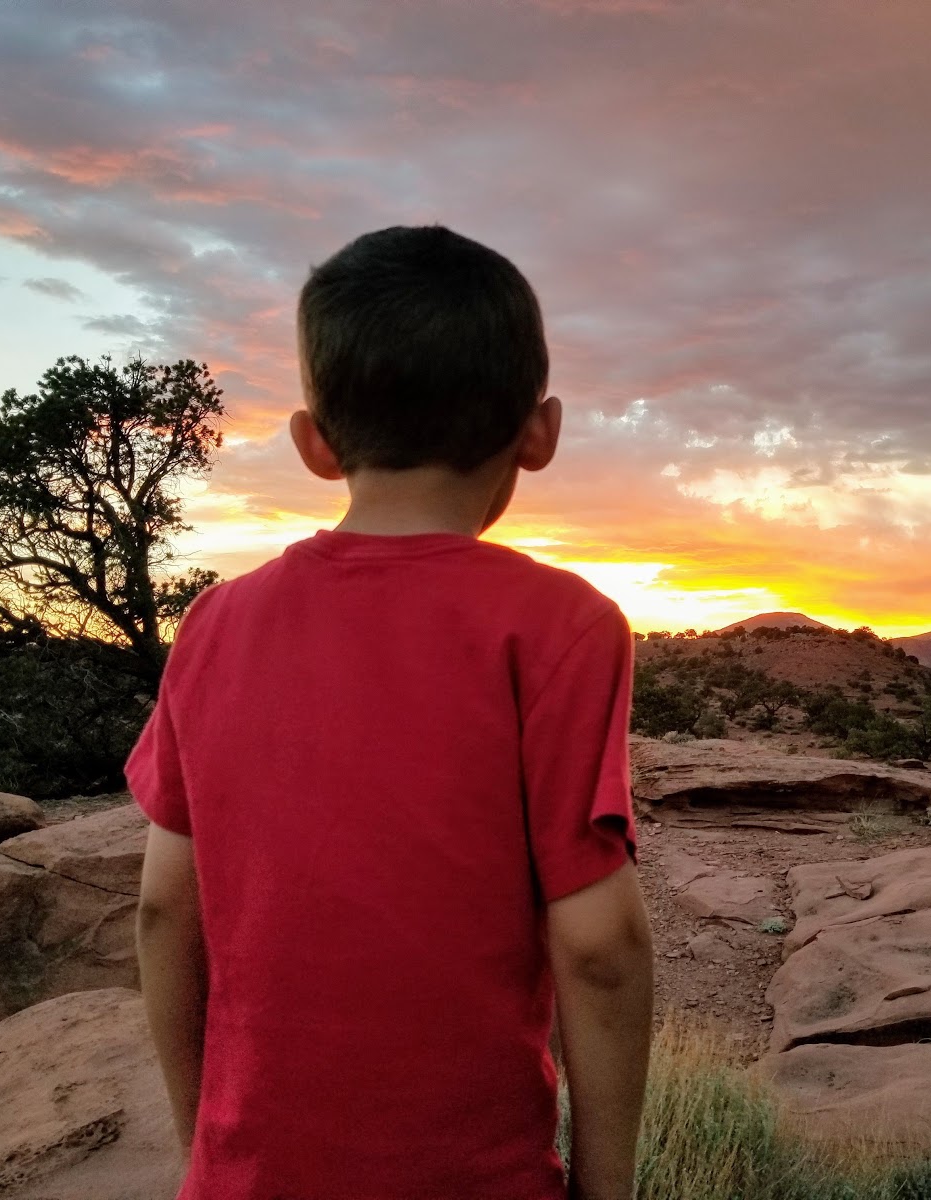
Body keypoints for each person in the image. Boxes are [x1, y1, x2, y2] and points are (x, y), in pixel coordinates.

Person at [129, 225, 654, 1200]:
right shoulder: (563, 626)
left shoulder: (213, 623)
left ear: (314, 443)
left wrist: (207, 1153)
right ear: (540, 431)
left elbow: (165, 907)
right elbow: (599, 949)